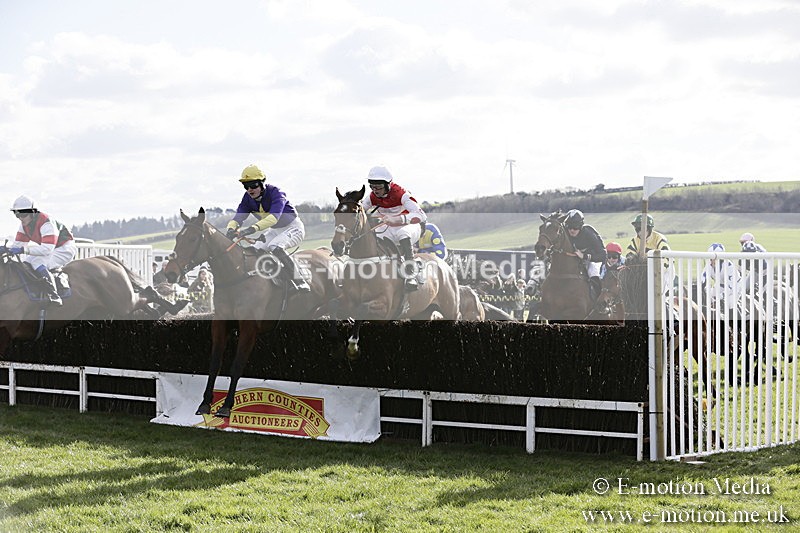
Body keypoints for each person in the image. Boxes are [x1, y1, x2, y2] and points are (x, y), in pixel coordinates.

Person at [225, 164, 309, 291]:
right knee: (254, 250)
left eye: (253, 185)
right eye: (246, 186)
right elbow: (238, 218)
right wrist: (230, 229)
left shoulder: (276, 193)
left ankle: (299, 280)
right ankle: (270, 280)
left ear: (262, 183)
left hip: (293, 227)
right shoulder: (247, 198)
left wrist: (252, 229)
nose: (250, 190)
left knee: (275, 246)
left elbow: (273, 218)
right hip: (274, 231)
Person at [0, 195, 76, 306]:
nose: (20, 218)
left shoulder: (46, 223)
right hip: (51, 249)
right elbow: (18, 244)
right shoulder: (25, 225)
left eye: (23, 214)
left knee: (37, 262)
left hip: (64, 248)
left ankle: (54, 295)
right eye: (17, 214)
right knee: (27, 263)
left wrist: (22, 250)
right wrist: (5, 248)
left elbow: (46, 249)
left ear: (33, 213)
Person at [362, 166, 428, 291]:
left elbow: (421, 216)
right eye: (372, 186)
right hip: (389, 227)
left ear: (388, 184)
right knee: (370, 236)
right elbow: (360, 210)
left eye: (379, 187)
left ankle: (411, 272)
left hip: (412, 226)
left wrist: (398, 220)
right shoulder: (371, 196)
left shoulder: (401, 194)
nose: (375, 191)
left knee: (402, 233)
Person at [563, 209, 606, 300]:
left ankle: (599, 302)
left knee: (592, 272)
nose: (572, 230)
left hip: (592, 260)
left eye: (575, 227)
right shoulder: (565, 233)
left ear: (581, 226)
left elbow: (603, 254)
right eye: (569, 227)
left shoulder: (588, 233)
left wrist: (584, 256)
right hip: (574, 260)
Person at [700, 243, 741, 309]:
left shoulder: (728, 266)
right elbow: (702, 279)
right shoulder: (709, 265)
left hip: (735, 287)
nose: (711, 261)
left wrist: (720, 296)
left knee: (730, 303)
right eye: (710, 258)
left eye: (713, 259)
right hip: (720, 285)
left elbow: (730, 287)